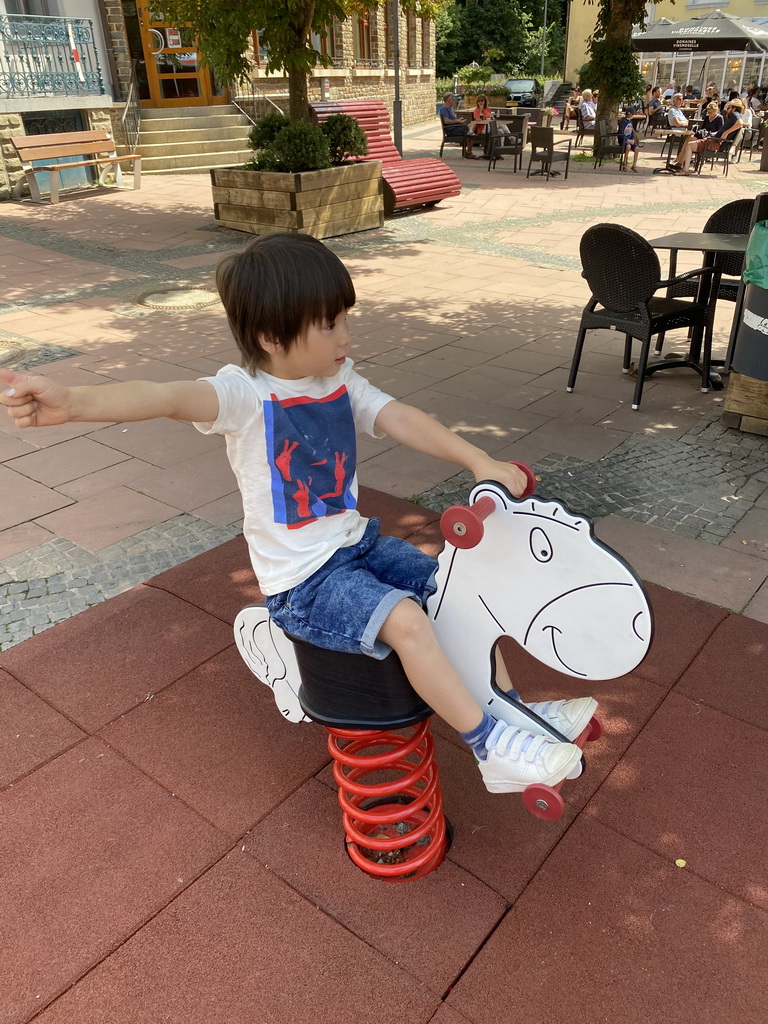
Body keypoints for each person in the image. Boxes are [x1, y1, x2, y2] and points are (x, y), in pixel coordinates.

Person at [0, 233, 596, 795]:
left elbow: (399, 417)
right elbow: (165, 396)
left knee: (461, 587)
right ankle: (490, 747)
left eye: (344, 319)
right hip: (304, 583)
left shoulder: (337, 379)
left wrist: (478, 459)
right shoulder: (244, 395)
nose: (345, 337)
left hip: (354, 546)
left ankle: (511, 709)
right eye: (330, 324)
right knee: (409, 620)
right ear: (269, 335)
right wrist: (73, 401)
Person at [671, 99, 742, 174]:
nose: (727, 110)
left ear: (734, 108)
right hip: (713, 140)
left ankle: (685, 170)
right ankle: (681, 165)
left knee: (689, 145)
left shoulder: (735, 114)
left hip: (715, 143)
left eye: (728, 108)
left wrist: (726, 133)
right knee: (690, 140)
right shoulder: (733, 116)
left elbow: (740, 123)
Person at [438, 92, 470, 156]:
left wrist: (458, 120)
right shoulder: (444, 109)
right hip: (452, 131)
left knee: (471, 126)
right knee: (470, 131)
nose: (454, 101)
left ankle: (468, 151)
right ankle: (469, 152)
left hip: (455, 128)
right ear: (449, 100)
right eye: (453, 99)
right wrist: (457, 121)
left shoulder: (449, 109)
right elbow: (446, 121)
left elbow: (452, 120)